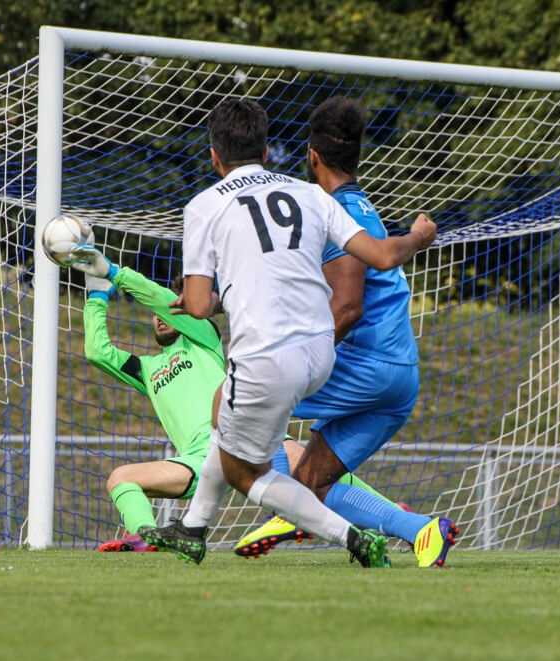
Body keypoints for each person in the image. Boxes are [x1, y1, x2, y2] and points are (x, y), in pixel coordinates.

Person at [75, 97, 435, 567]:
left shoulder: (205, 206)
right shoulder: (310, 196)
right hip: (321, 351)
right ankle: (193, 530)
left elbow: (200, 307)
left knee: (248, 474)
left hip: (269, 354)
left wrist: (195, 297)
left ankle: (354, 538)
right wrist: (420, 236)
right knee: (223, 416)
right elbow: (385, 255)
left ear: (214, 156)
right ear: (267, 153)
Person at [234, 97, 458, 568]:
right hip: (401, 377)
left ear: (312, 158)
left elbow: (349, 306)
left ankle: (246, 515)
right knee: (311, 482)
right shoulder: (362, 207)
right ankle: (423, 530)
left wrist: (302, 359)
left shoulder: (335, 214)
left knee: (243, 396)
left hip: (366, 366)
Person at [78, 264, 405, 553]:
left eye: (167, 312)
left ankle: (394, 516)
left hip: (239, 431)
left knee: (313, 474)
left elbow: (158, 300)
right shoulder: (146, 370)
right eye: (155, 316)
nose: (159, 319)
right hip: (197, 460)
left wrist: (114, 272)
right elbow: (98, 352)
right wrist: (97, 294)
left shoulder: (203, 338)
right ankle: (145, 537)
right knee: (121, 477)